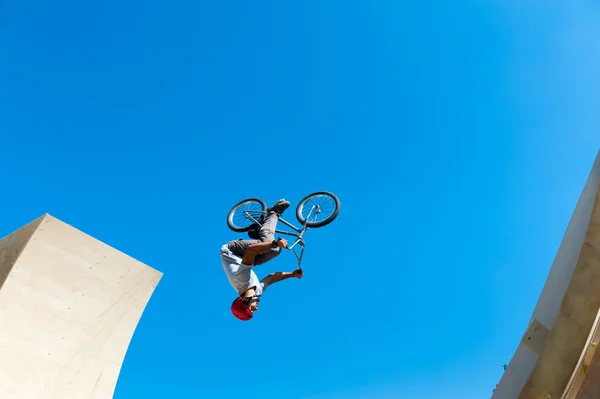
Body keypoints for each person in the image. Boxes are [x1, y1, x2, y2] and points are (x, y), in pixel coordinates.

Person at [220, 199, 303, 321]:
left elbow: (251, 251)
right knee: (275, 250)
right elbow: (271, 278)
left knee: (269, 244)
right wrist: (292, 274)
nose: (257, 309)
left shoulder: (241, 280)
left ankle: (274, 212)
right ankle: (258, 232)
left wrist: (274, 243)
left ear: (244, 302)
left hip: (232, 250)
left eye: (252, 309)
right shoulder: (257, 291)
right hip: (246, 258)